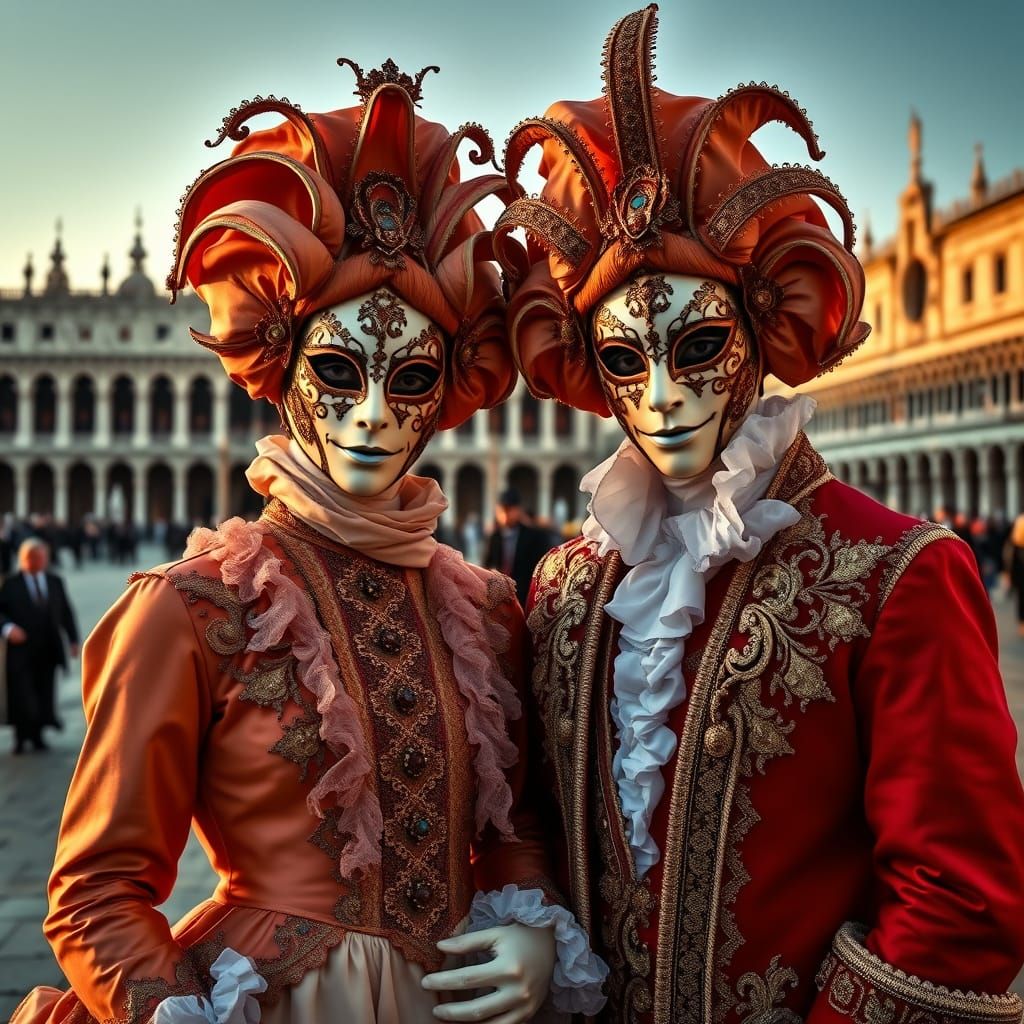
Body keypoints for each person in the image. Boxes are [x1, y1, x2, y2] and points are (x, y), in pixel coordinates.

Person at [12, 58, 605, 1024]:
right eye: (338, 370)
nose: (372, 414)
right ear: (283, 367)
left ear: (447, 390)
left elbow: (512, 821)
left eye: (409, 379)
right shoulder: (191, 609)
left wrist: (532, 920)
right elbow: (95, 891)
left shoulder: (484, 611)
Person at [496, 7, 1024, 1022]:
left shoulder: (895, 574)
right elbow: (531, 816)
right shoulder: (565, 589)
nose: (658, 394)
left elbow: (958, 906)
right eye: (622, 359)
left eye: (695, 347)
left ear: (760, 325)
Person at [1, 538, 80, 754]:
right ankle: (20, 737)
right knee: (22, 693)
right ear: (23, 559)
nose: (38, 562)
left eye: (41, 557)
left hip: (48, 648)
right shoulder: (10, 583)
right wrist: (8, 628)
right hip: (20, 650)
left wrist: (73, 640)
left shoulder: (55, 581)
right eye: (33, 558)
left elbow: (65, 612)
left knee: (44, 691)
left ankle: (37, 736)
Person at [485, 489, 554, 606]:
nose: (505, 515)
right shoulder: (495, 537)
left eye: (509, 510)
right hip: (500, 596)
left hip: (525, 596)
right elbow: (488, 563)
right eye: (502, 511)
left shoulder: (533, 536)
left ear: (518, 510)